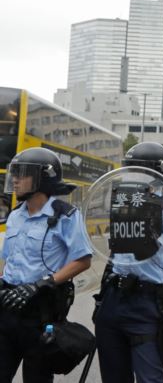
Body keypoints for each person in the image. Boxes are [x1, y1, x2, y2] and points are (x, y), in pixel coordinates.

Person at [0, 147, 93, 381]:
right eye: (15, 173)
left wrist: (42, 284)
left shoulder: (66, 216)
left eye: (23, 173)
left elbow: (83, 260)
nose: (16, 179)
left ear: (43, 177)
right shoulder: (15, 215)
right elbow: (6, 259)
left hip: (40, 313)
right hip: (7, 309)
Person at [95, 142, 163, 383]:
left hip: (144, 300)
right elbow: (112, 250)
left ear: (154, 176)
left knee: (149, 378)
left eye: (138, 172)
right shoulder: (124, 204)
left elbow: (141, 247)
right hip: (113, 296)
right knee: (113, 376)